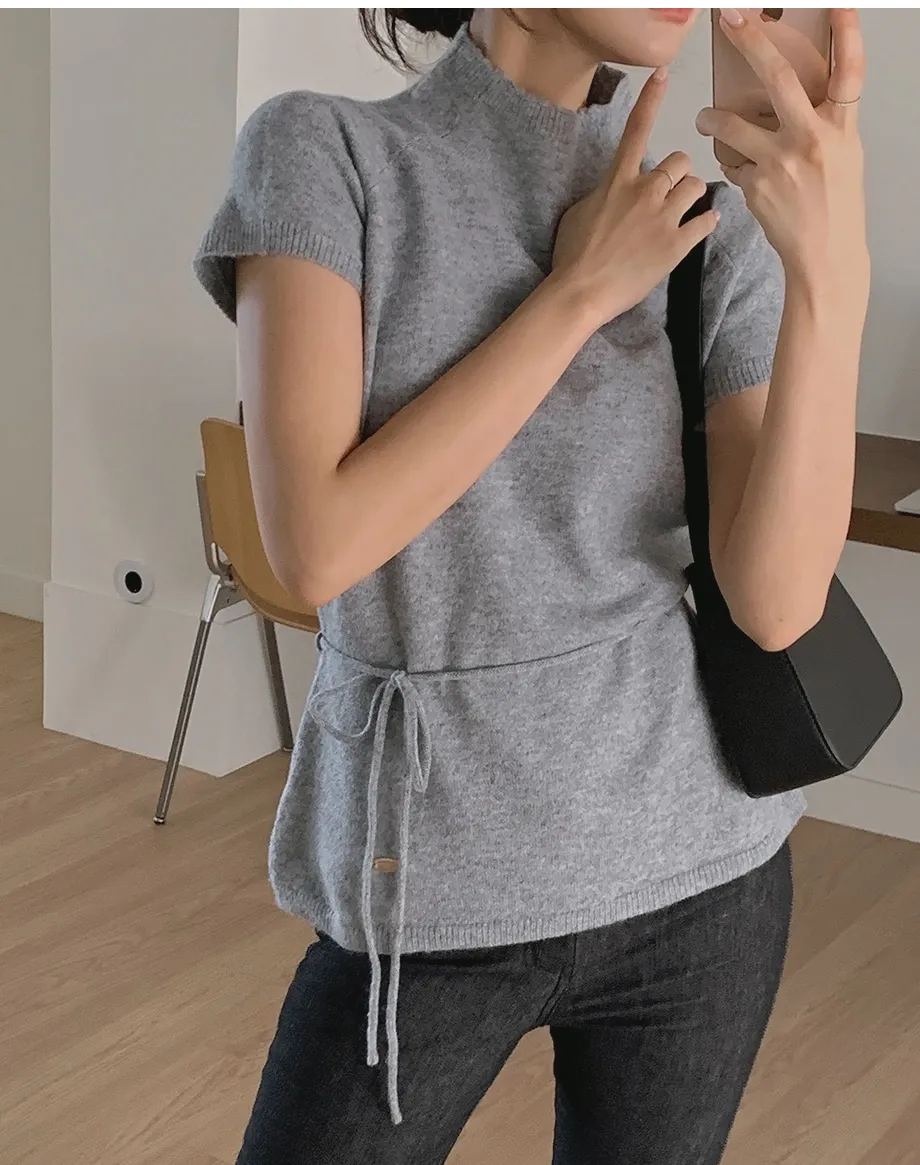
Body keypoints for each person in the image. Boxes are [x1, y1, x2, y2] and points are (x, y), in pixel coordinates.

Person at [193, 8, 868, 1163]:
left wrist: (830, 275)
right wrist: (574, 297)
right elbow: (313, 547)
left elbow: (774, 603)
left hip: (699, 877)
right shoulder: (322, 153)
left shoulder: (706, 227)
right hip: (427, 887)